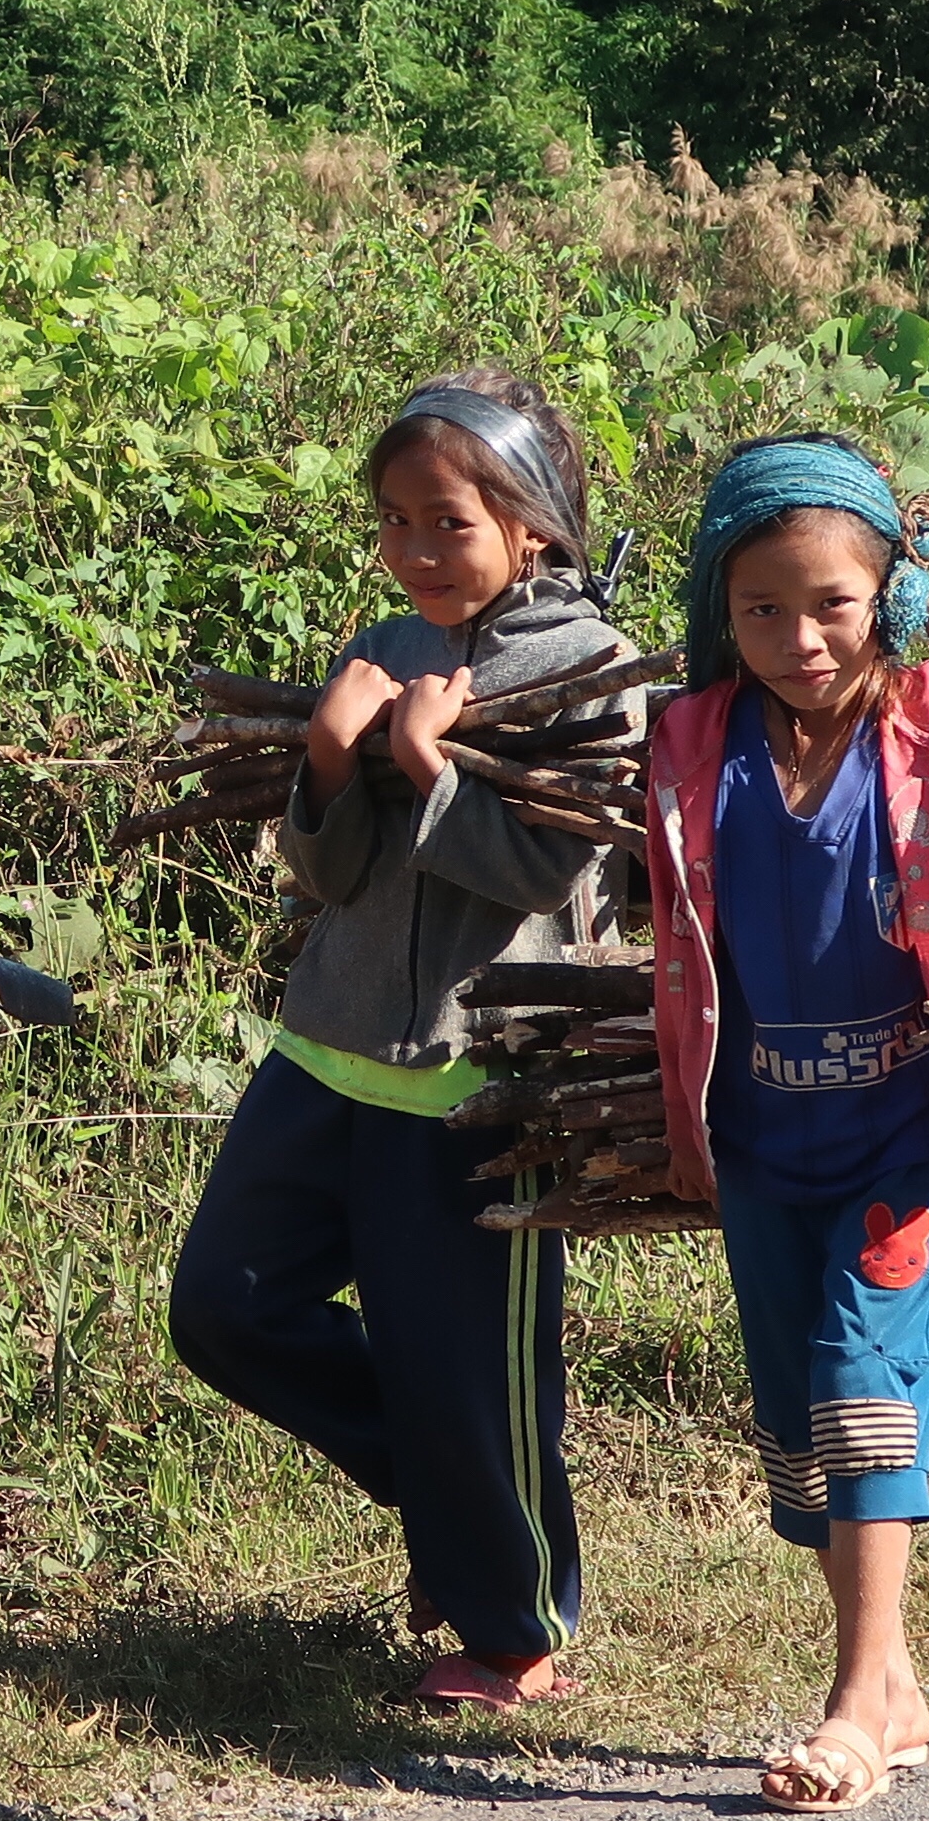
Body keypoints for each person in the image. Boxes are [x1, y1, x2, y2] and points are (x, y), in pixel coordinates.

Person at [167, 370, 630, 1711]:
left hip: (485, 1073)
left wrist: (431, 769)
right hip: (329, 1049)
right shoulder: (385, 643)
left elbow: (553, 872)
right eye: (397, 522)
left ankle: (516, 1626)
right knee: (225, 1306)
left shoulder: (589, 671)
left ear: (532, 524)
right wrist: (327, 759)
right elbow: (333, 875)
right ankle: (449, 1497)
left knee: (469, 1368)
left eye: (450, 523)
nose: (420, 551)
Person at [650, 437, 929, 1814]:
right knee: (797, 1422)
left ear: (893, 592)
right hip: (761, 1124)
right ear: (722, 610)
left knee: (864, 1381)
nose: (799, 635)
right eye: (761, 606)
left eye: (830, 601)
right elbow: (674, 942)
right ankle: (897, 1682)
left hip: (901, 1123)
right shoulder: (694, 739)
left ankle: (852, 1701)